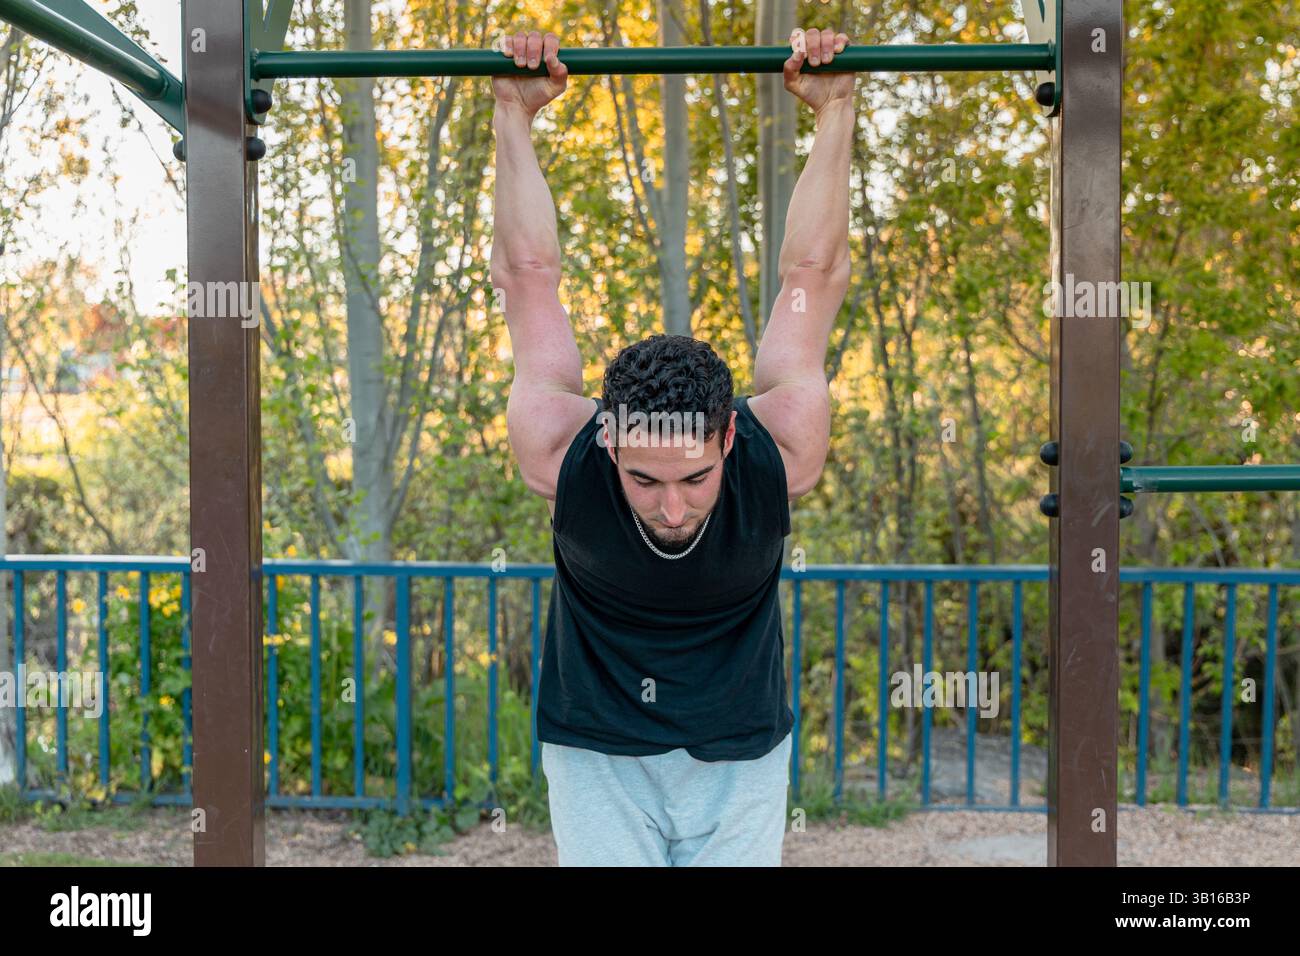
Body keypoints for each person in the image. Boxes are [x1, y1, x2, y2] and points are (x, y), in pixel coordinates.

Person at [490, 25, 852, 866]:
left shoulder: (779, 452)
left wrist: (835, 112)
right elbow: (525, 276)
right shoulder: (561, 450)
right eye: (645, 480)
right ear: (607, 443)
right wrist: (513, 112)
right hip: (597, 755)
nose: (673, 505)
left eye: (693, 476)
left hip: (743, 756)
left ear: (731, 436)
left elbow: (813, 275)